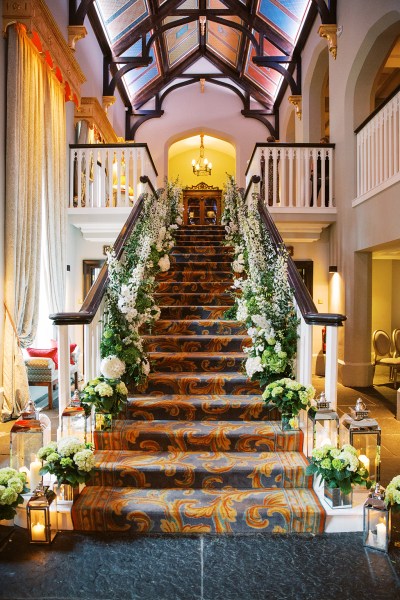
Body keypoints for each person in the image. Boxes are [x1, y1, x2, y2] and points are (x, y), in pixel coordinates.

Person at [310, 136, 330, 207]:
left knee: (326, 194)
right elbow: (313, 161)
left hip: (326, 174)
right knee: (315, 193)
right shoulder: (317, 152)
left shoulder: (329, 152)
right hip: (317, 174)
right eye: (320, 143)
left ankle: (326, 207)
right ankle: (312, 207)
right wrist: (312, 171)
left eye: (323, 143)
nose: (321, 144)